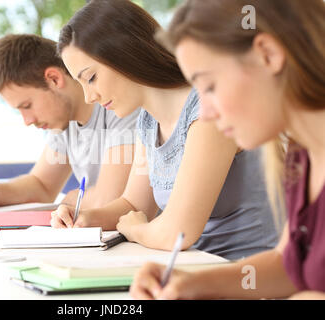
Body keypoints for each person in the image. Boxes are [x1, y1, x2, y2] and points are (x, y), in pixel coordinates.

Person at [52, 0, 277, 260]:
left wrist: (136, 230)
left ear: (126, 53)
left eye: (90, 78)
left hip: (247, 276)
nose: (89, 97)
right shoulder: (147, 123)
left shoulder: (208, 109)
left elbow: (177, 233)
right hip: (194, 268)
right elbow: (134, 205)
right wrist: (84, 218)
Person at [131, 0, 325, 299]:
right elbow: (288, 267)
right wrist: (194, 284)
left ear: (268, 55)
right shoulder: (303, 154)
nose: (204, 112)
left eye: (209, 87)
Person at [0, 34, 139, 210]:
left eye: (27, 105)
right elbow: (42, 185)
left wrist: (70, 200)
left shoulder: (117, 106)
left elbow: (110, 199)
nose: (27, 120)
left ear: (54, 79)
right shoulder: (64, 123)